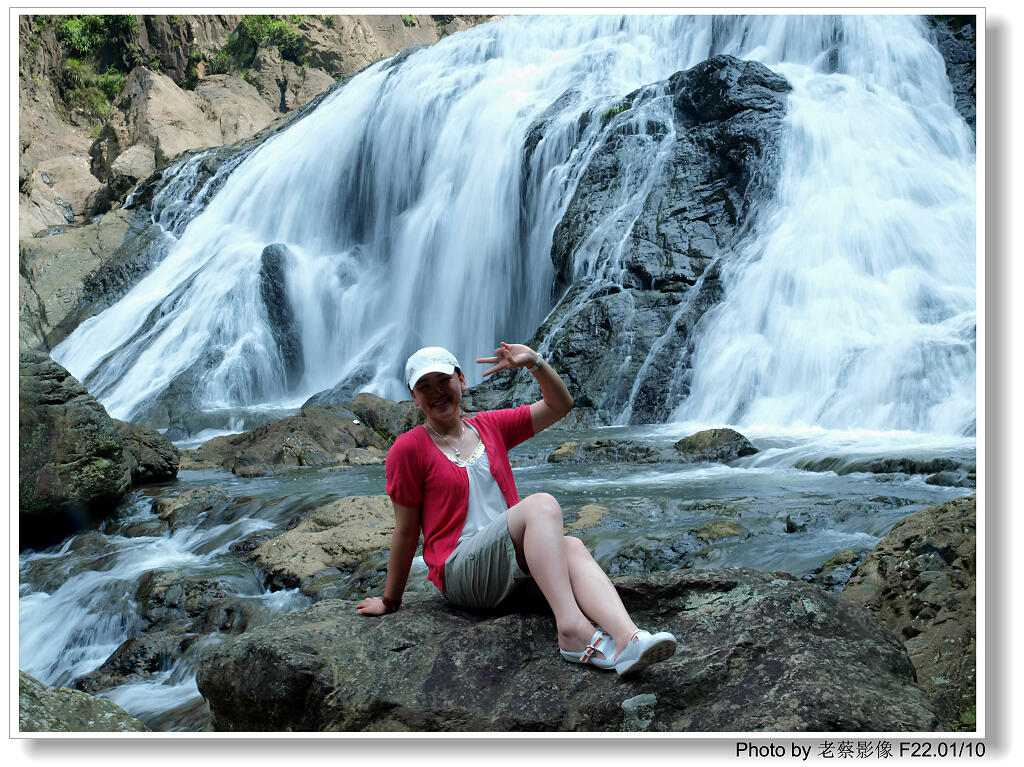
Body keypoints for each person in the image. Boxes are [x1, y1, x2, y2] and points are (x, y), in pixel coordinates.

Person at [356, 342, 676, 678]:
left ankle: (629, 639)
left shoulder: (490, 426)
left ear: (462, 381)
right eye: (424, 387)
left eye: (443, 381)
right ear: (414, 399)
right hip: (461, 571)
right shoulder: (407, 449)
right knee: (541, 505)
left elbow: (559, 405)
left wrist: (535, 362)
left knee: (572, 546)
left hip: (508, 563)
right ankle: (572, 628)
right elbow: (406, 530)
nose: (437, 392)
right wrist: (390, 600)